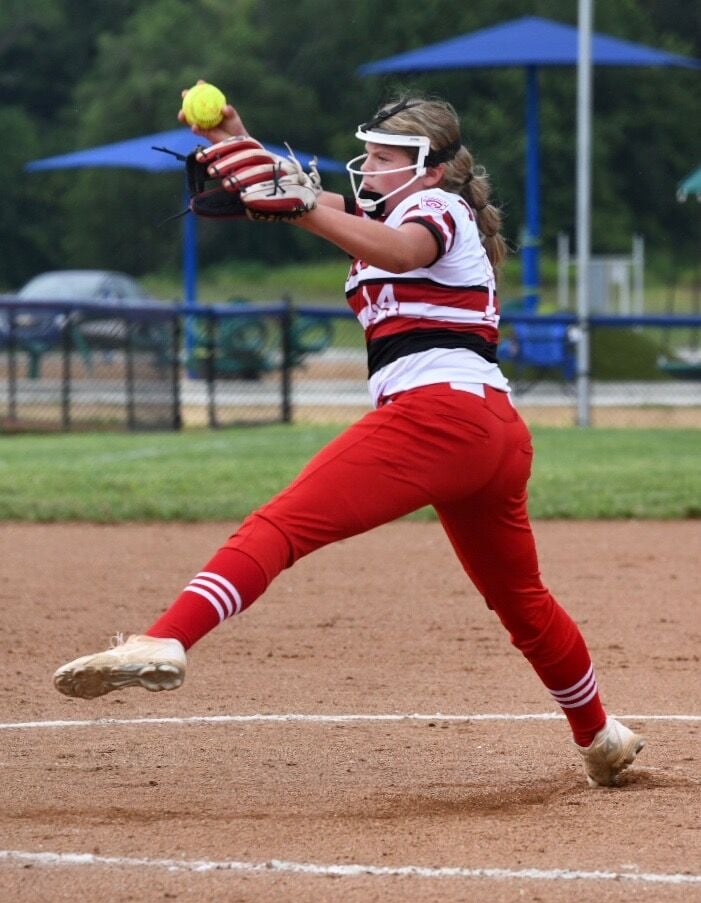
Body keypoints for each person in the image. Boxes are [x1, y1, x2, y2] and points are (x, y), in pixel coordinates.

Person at [53, 89, 645, 788]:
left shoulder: (436, 211)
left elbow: (395, 248)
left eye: (385, 155)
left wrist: (305, 209)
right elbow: (308, 198)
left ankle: (167, 638)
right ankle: (599, 735)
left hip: (438, 419)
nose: (367, 164)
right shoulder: (379, 209)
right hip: (490, 432)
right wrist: (234, 135)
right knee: (521, 600)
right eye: (368, 152)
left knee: (282, 524)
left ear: (429, 167)